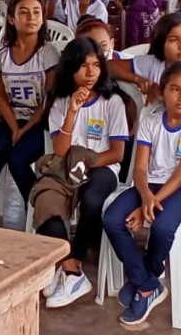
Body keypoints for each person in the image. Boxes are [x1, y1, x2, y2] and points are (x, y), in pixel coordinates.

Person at [102, 62, 181, 326]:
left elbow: (180, 176)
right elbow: (139, 169)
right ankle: (147, 283)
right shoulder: (151, 119)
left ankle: (146, 279)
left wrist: (146, 207)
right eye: (175, 89)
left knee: (163, 226)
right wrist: (145, 197)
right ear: (163, 92)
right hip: (147, 184)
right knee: (111, 218)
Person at [36, 37, 129, 309]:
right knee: (45, 198)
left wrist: (87, 163)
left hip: (102, 166)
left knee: (91, 199)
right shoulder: (60, 102)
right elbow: (61, 151)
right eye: (83, 66)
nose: (91, 73)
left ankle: (72, 266)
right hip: (66, 166)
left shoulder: (113, 102)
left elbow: (117, 153)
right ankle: (71, 269)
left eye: (96, 65)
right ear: (70, 69)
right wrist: (72, 112)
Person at [0, 0, 60, 225]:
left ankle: (42, 213)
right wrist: (13, 127)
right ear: (11, 18)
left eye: (36, 12)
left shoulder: (47, 53)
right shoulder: (1, 53)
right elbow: (0, 95)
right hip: (13, 119)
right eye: (24, 12)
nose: (31, 17)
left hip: (41, 123)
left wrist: (26, 129)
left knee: (17, 160)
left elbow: (49, 100)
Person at [110, 14, 181, 103]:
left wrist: (165, 88)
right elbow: (108, 66)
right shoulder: (153, 62)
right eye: (174, 40)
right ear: (161, 43)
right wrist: (138, 80)